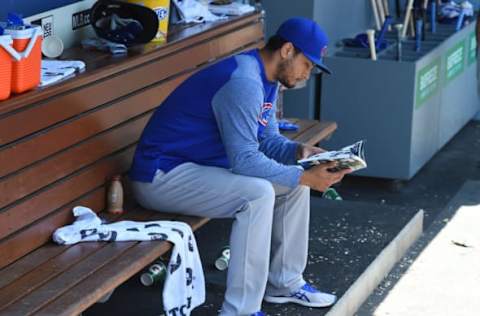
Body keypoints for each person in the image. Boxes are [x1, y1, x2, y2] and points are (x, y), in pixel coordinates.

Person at [129, 17, 351, 316]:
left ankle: (284, 283)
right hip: (161, 176)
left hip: (196, 169)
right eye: (307, 65)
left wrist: (300, 153)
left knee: (293, 184)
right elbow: (245, 159)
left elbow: (267, 141)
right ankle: (240, 311)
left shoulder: (266, 79)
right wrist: (304, 176)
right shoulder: (245, 82)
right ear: (287, 50)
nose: (306, 75)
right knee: (258, 193)